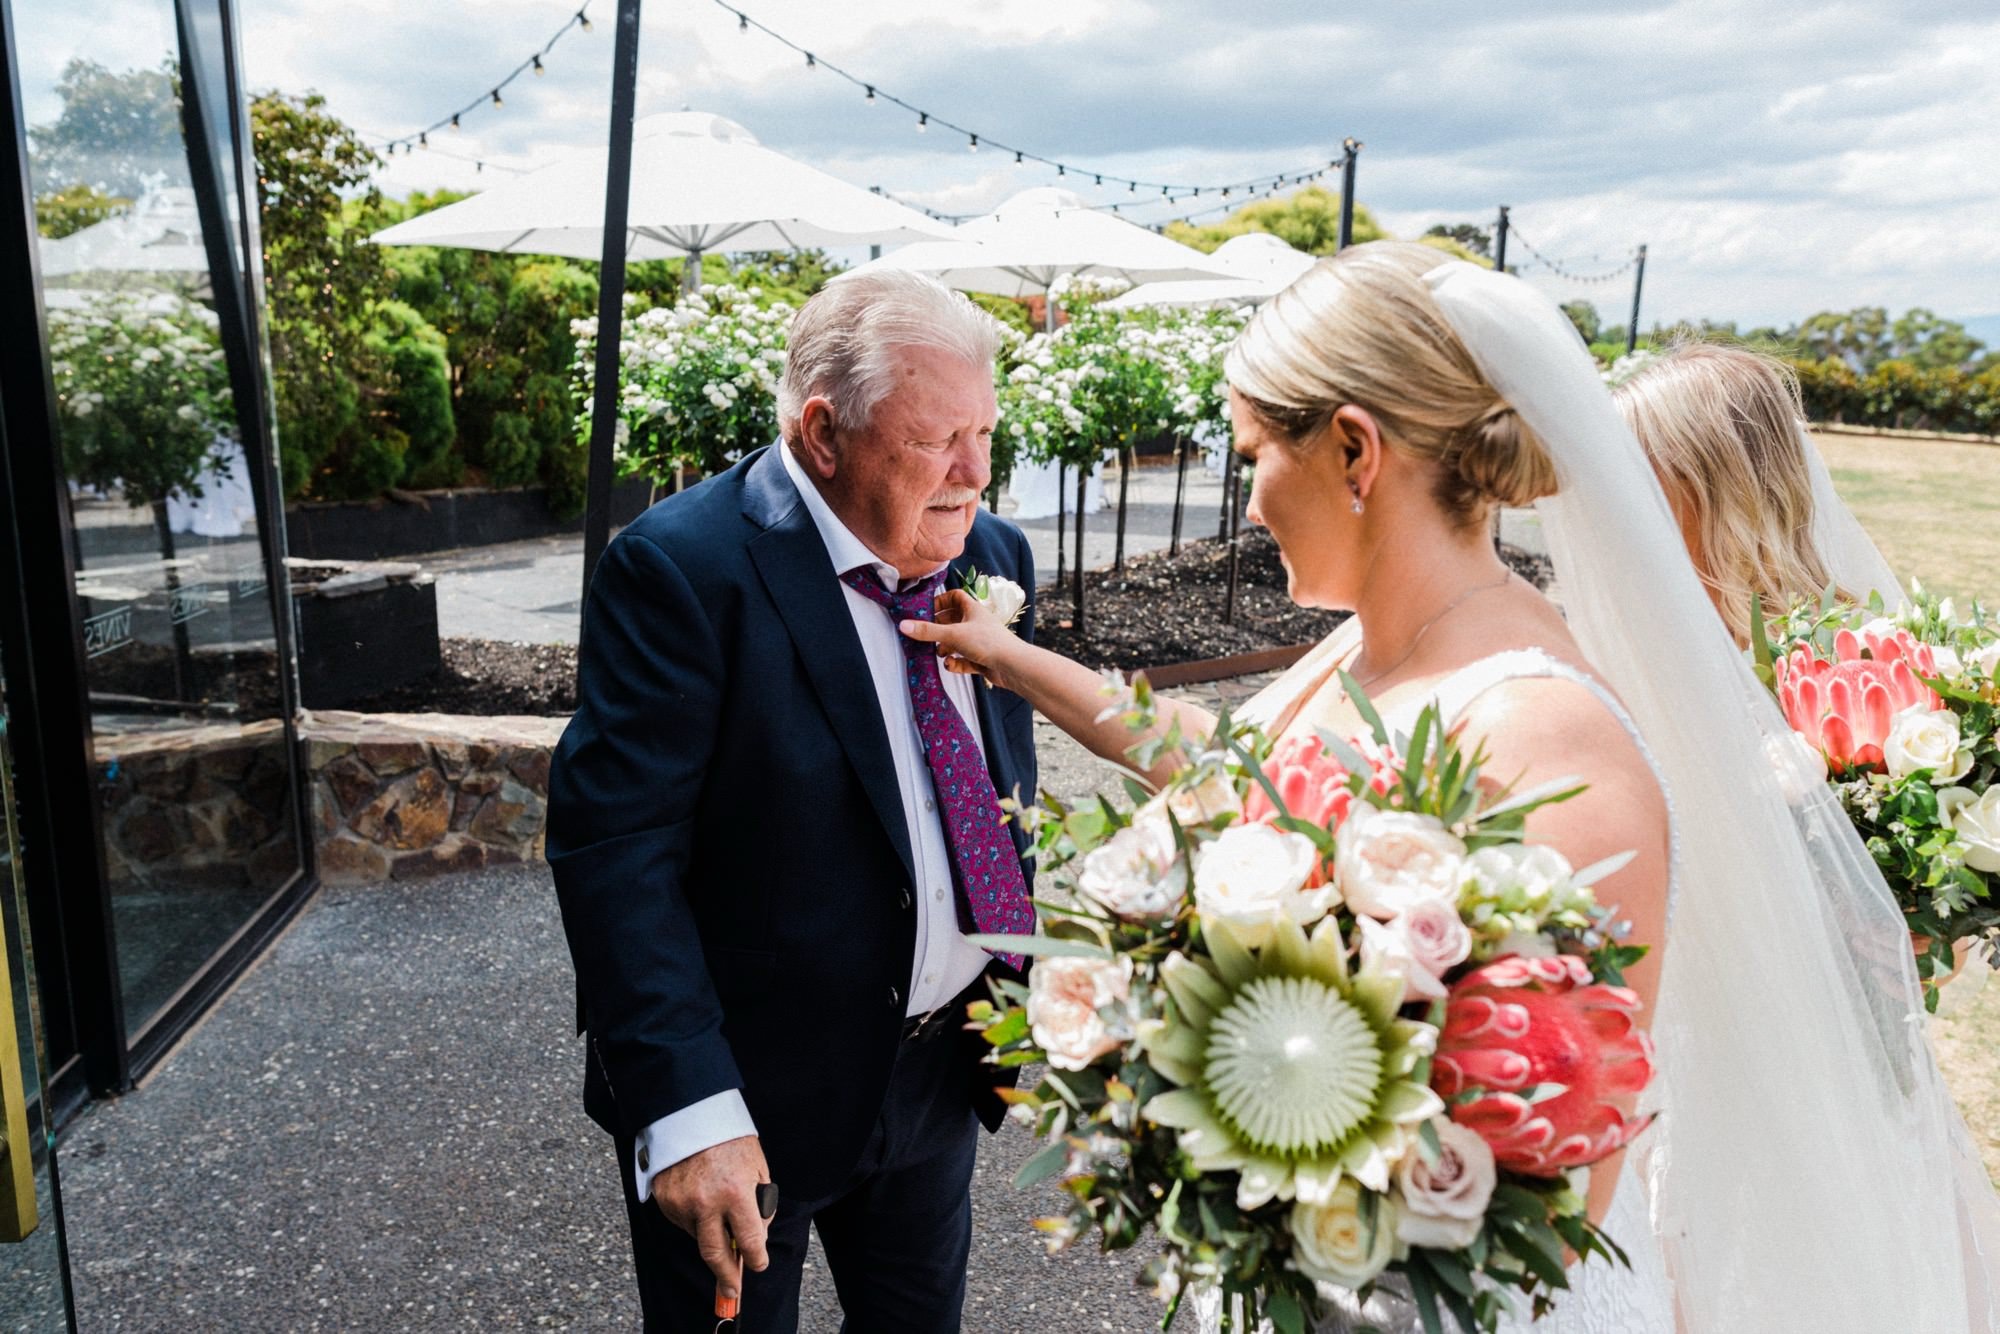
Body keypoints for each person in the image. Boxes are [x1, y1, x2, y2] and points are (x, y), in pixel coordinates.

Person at [909, 242, 1994, 1330]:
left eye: (1251, 457)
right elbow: (1234, 774)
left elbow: (1553, 1192)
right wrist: (1010, 656)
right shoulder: (1361, 650)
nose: (1246, 506)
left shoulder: (1548, 737)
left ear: (1352, 450)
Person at [547, 269, 1039, 1333]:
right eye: (936, 437)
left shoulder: (990, 553)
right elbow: (615, 851)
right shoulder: (679, 568)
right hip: (746, 1095)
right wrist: (687, 1111)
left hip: (936, 1074)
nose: (974, 472)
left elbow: (998, 793)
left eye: (986, 431)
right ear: (822, 432)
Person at [1610, 341, 1900, 643]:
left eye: (1642, 468)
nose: (1624, 495)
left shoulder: (1826, 659)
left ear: (1724, 489)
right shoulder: (1641, 614)